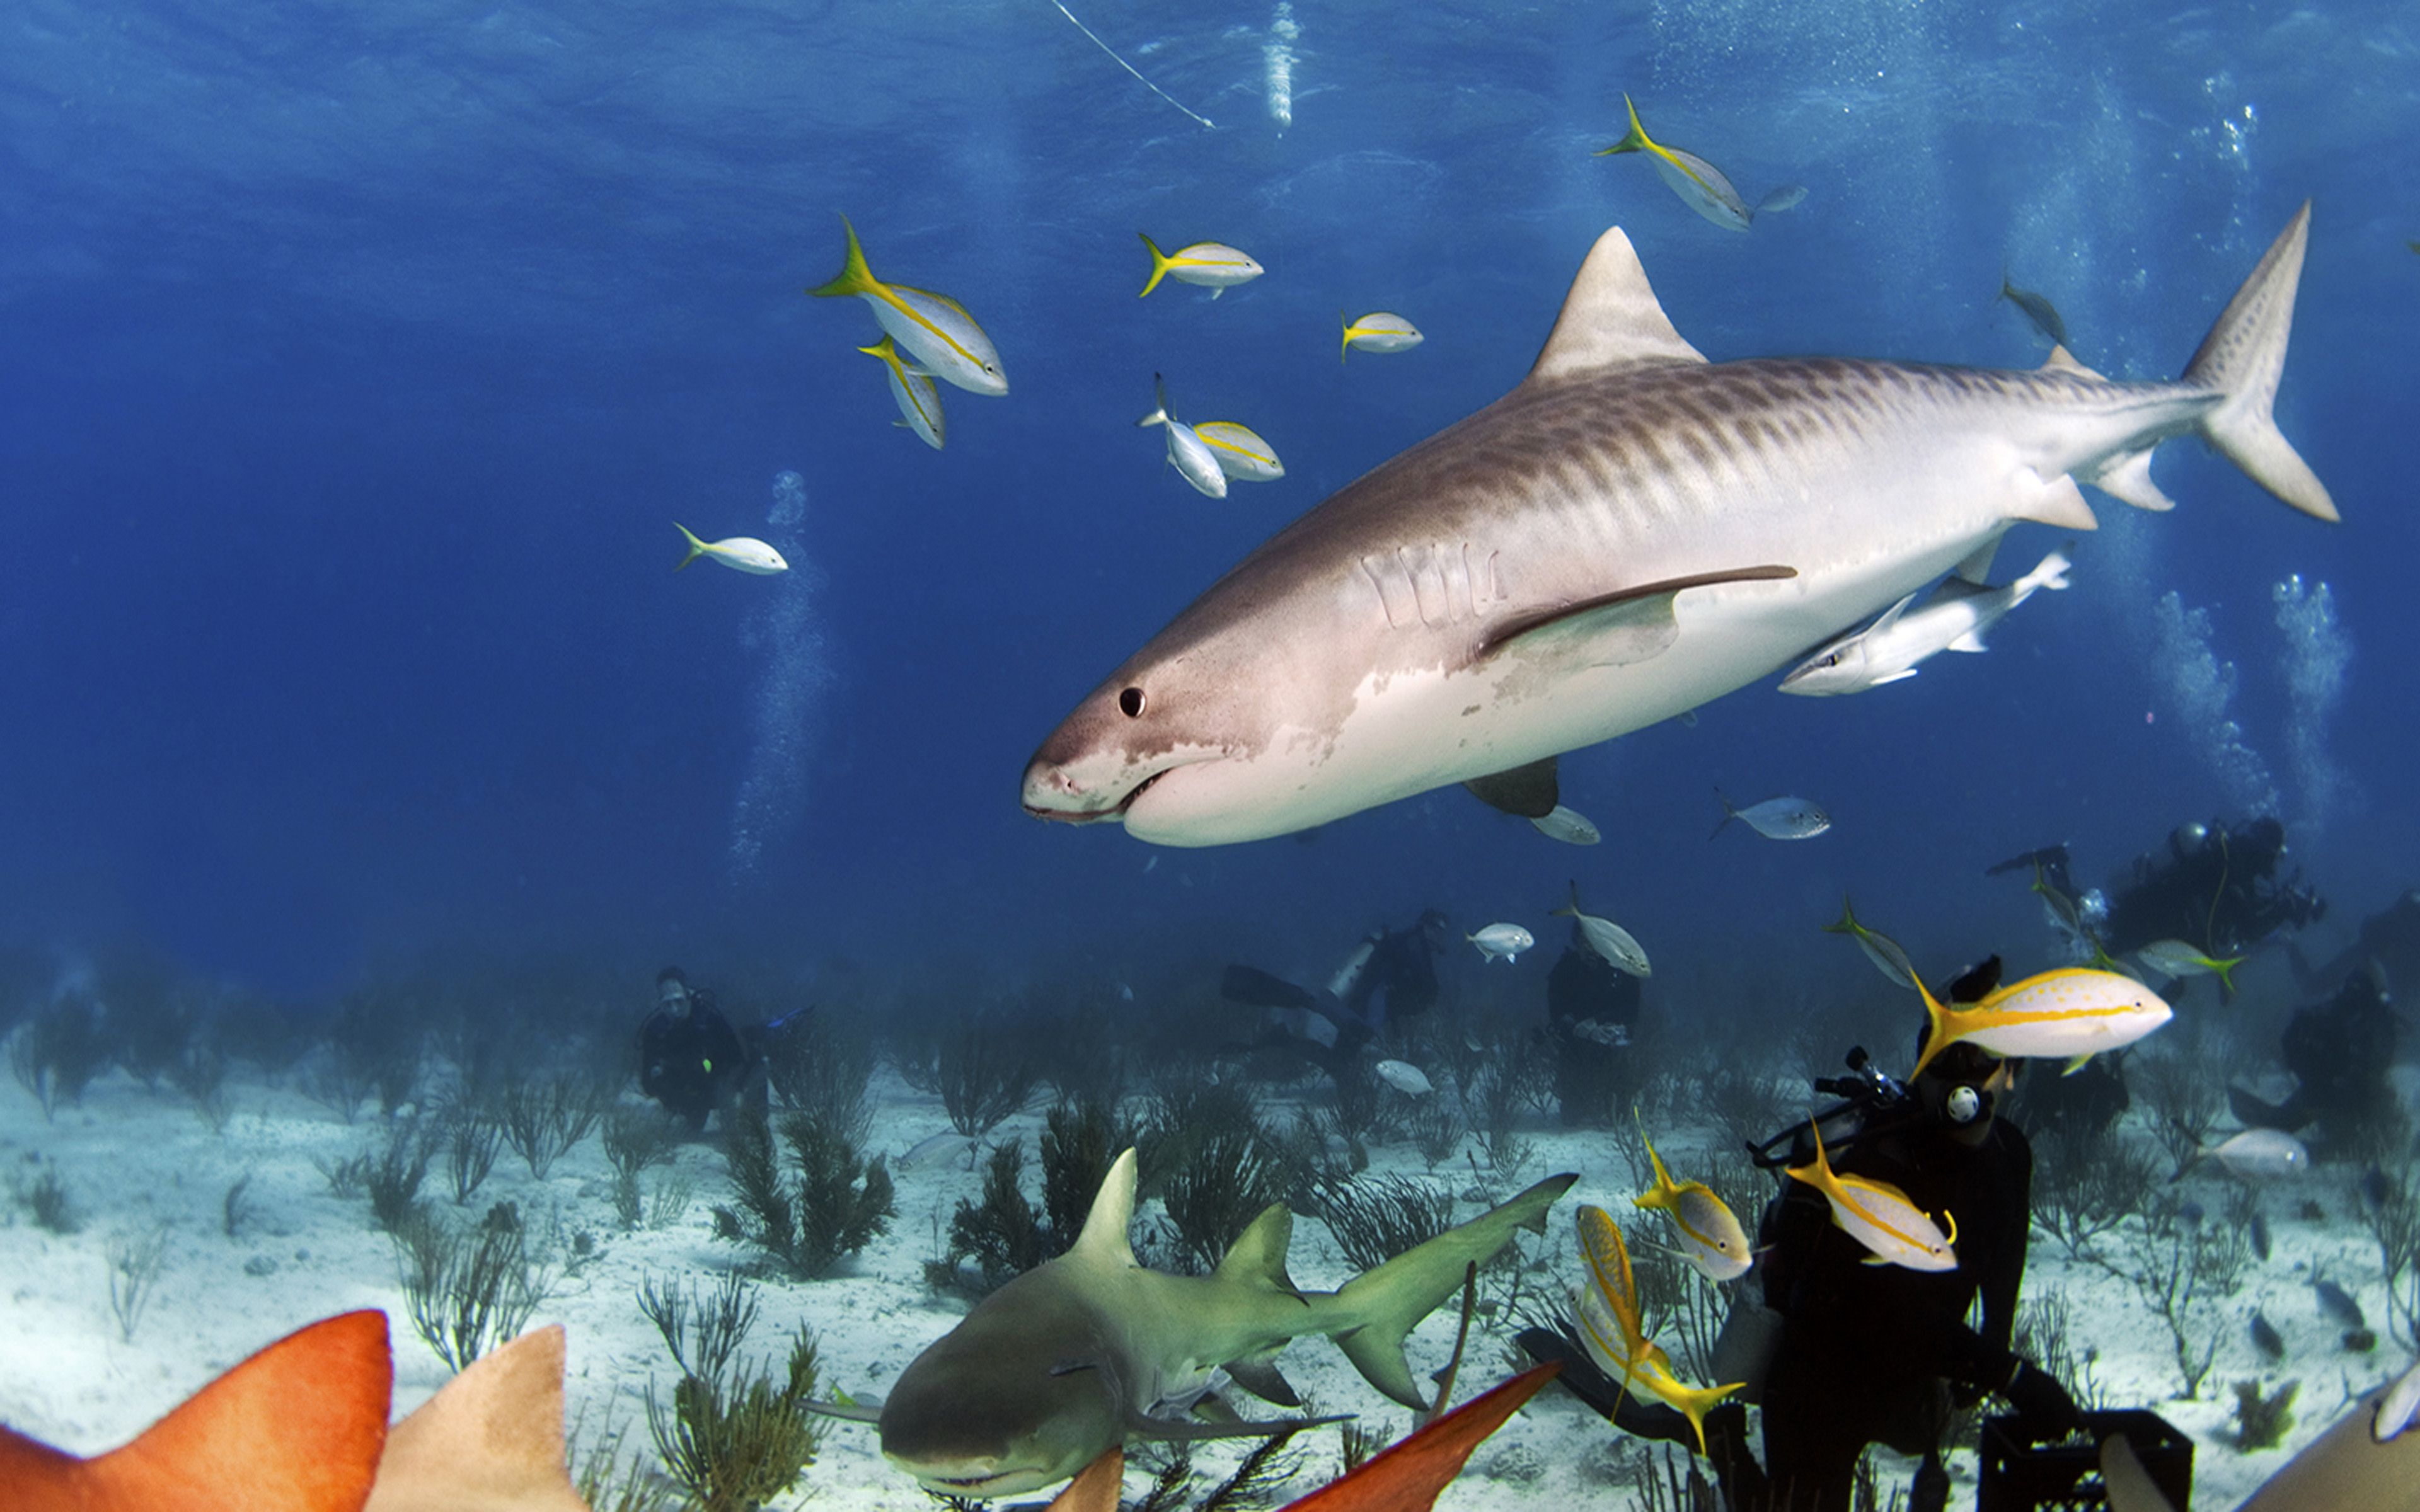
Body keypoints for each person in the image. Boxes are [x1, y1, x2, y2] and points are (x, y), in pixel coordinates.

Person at [1524, 958, 2083, 1512]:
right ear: (1922, 1063)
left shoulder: (2011, 1154)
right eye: (1946, 1055)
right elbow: (1888, 1310)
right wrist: (2009, 1374)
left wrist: (1995, 1349)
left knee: (1919, 1435)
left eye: (1980, 1056)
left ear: (2013, 1070)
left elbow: (2006, 1255)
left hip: (1916, 1370)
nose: (1961, 1079)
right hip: (1823, 1379)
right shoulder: (1868, 1165)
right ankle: (1722, 1442)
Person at [2228, 966, 2402, 1154]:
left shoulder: (2335, 1012)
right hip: (2330, 1092)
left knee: (2303, 1110)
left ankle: (2275, 1128)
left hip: (2329, 1092)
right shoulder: (2369, 1017)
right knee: (2310, 1109)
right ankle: (2273, 1130)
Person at [637, 966, 763, 1134]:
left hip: (716, 1085)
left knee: (756, 1062)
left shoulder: (710, 1021)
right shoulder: (655, 1030)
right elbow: (648, 1082)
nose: (674, 1010)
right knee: (688, 1128)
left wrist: (712, 1071)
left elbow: (737, 1060)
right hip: (685, 1092)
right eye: (667, 1004)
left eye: (679, 1002)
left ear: (689, 995)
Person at [1543, 927, 1642, 1126]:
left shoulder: (1621, 969)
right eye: (1585, 943)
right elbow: (1556, 1012)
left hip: (1612, 1043)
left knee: (1620, 1116)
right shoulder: (1564, 969)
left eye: (1596, 943)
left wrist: (1600, 1022)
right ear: (1576, 943)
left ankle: (1615, 1099)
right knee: (1571, 1118)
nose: (1591, 950)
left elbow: (1632, 1009)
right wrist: (1580, 1028)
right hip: (1577, 1045)